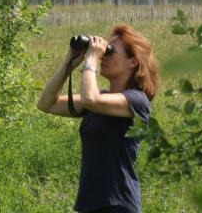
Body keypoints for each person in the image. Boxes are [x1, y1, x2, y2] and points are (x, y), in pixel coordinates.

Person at [36, 24, 159, 213]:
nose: (104, 56)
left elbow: (90, 99)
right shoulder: (99, 99)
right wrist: (68, 63)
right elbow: (46, 104)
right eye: (104, 51)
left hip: (118, 204)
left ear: (132, 62)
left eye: (110, 51)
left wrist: (91, 59)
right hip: (89, 204)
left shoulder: (137, 101)